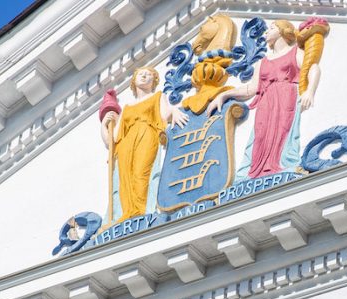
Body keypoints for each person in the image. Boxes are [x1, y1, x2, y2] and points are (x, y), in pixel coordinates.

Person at [206, 19, 325, 182]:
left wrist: (310, 92)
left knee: (283, 131)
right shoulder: (263, 62)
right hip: (266, 102)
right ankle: (254, 173)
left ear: (282, 31)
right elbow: (251, 89)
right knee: (260, 135)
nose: (267, 32)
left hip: (286, 98)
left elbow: (313, 68)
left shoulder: (295, 52)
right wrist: (224, 95)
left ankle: (282, 165)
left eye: (272, 28)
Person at [101, 67, 188, 222]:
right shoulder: (127, 108)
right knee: (125, 179)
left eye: (148, 75)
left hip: (147, 136)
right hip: (126, 145)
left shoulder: (157, 96)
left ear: (153, 81)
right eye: (140, 74)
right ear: (134, 81)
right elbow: (112, 140)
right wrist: (104, 124)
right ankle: (126, 214)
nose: (144, 75)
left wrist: (174, 111)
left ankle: (140, 211)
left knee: (141, 173)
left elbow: (164, 114)